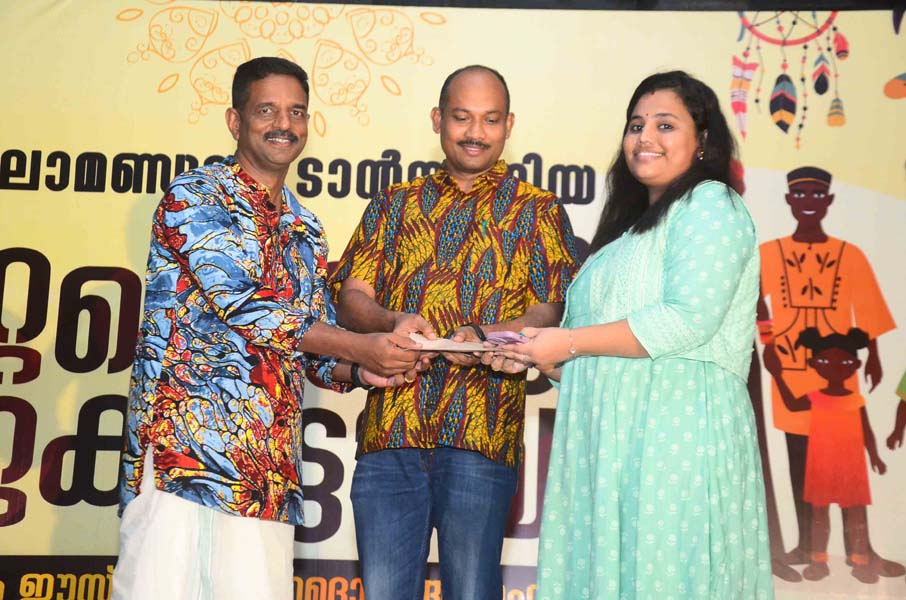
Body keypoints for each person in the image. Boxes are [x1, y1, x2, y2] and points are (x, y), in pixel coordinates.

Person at [111, 57, 422, 600]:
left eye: (296, 112)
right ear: (235, 121)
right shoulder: (197, 196)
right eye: (267, 111)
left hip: (265, 473)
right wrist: (360, 347)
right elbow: (248, 307)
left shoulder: (305, 227)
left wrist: (363, 371)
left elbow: (312, 346)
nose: (284, 124)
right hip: (185, 455)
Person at [488, 71, 774, 598]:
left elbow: (688, 319)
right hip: (606, 446)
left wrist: (566, 343)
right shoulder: (625, 235)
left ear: (702, 140)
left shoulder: (712, 204)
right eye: (636, 125)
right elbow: (604, 349)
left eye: (665, 125)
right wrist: (543, 358)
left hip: (675, 439)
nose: (645, 138)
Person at [328, 64, 578, 600]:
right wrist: (392, 322)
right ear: (438, 119)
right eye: (462, 117)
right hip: (391, 430)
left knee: (472, 590)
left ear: (509, 125)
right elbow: (351, 297)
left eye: (490, 119)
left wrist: (486, 333)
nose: (475, 132)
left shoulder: (538, 211)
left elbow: (550, 309)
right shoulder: (394, 203)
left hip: (482, 434)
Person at [756, 166, 899, 575]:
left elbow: (866, 309)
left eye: (817, 195)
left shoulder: (849, 254)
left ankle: (861, 549)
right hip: (790, 371)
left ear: (829, 201)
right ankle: (806, 547)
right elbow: (757, 301)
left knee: (846, 465)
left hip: (837, 376)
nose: (809, 203)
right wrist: (768, 343)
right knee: (801, 462)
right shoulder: (770, 252)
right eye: (801, 195)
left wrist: (874, 354)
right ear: (789, 200)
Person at [764, 328, 888, 583]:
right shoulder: (814, 398)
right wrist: (777, 374)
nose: (834, 367)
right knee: (819, 516)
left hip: (851, 466)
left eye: (844, 363)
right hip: (821, 465)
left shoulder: (856, 400)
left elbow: (866, 431)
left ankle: (860, 561)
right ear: (814, 364)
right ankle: (819, 561)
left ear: (856, 365)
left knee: (855, 515)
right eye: (825, 361)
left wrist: (874, 456)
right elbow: (791, 404)